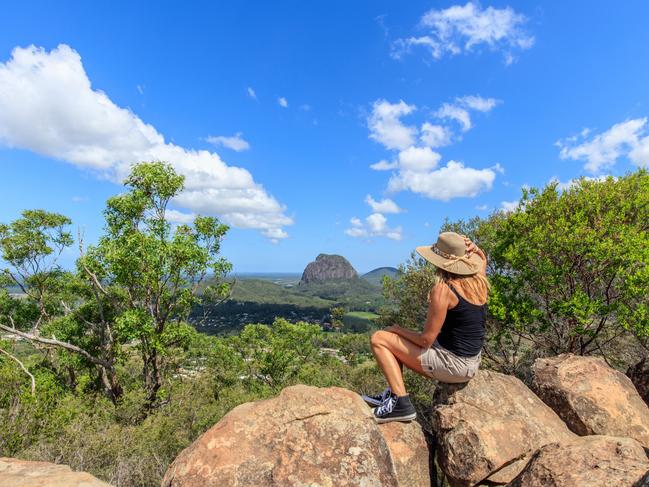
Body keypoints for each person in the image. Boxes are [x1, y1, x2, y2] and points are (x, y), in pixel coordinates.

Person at [363, 231, 489, 423]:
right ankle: (392, 394)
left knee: (380, 338)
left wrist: (397, 330)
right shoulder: (479, 281)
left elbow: (425, 340)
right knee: (397, 341)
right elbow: (482, 259)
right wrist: (477, 250)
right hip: (471, 362)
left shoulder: (444, 290)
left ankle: (401, 405)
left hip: (454, 366)